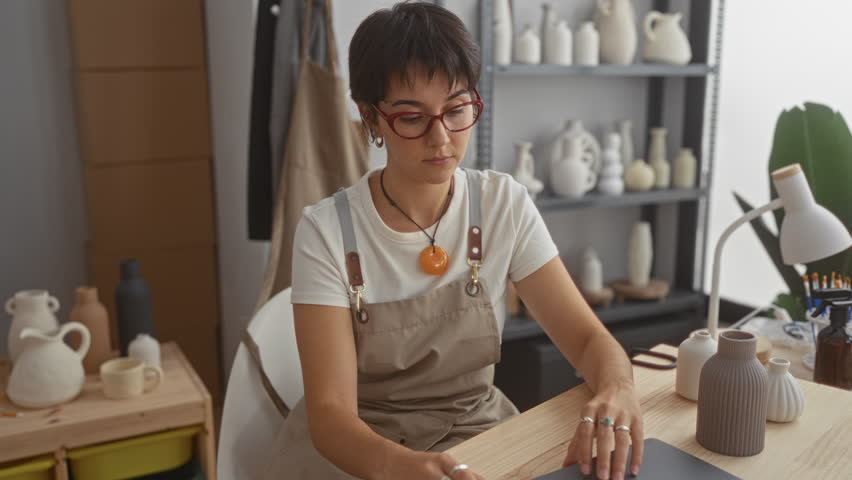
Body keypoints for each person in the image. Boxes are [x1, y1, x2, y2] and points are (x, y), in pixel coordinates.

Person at [260, 3, 643, 480]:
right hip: (361, 450)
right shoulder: (326, 233)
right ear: (371, 118)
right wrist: (403, 467)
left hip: (474, 430)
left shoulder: (503, 204)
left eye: (457, 109)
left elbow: (588, 340)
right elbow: (332, 416)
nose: (441, 138)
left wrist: (617, 389)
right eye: (412, 118)